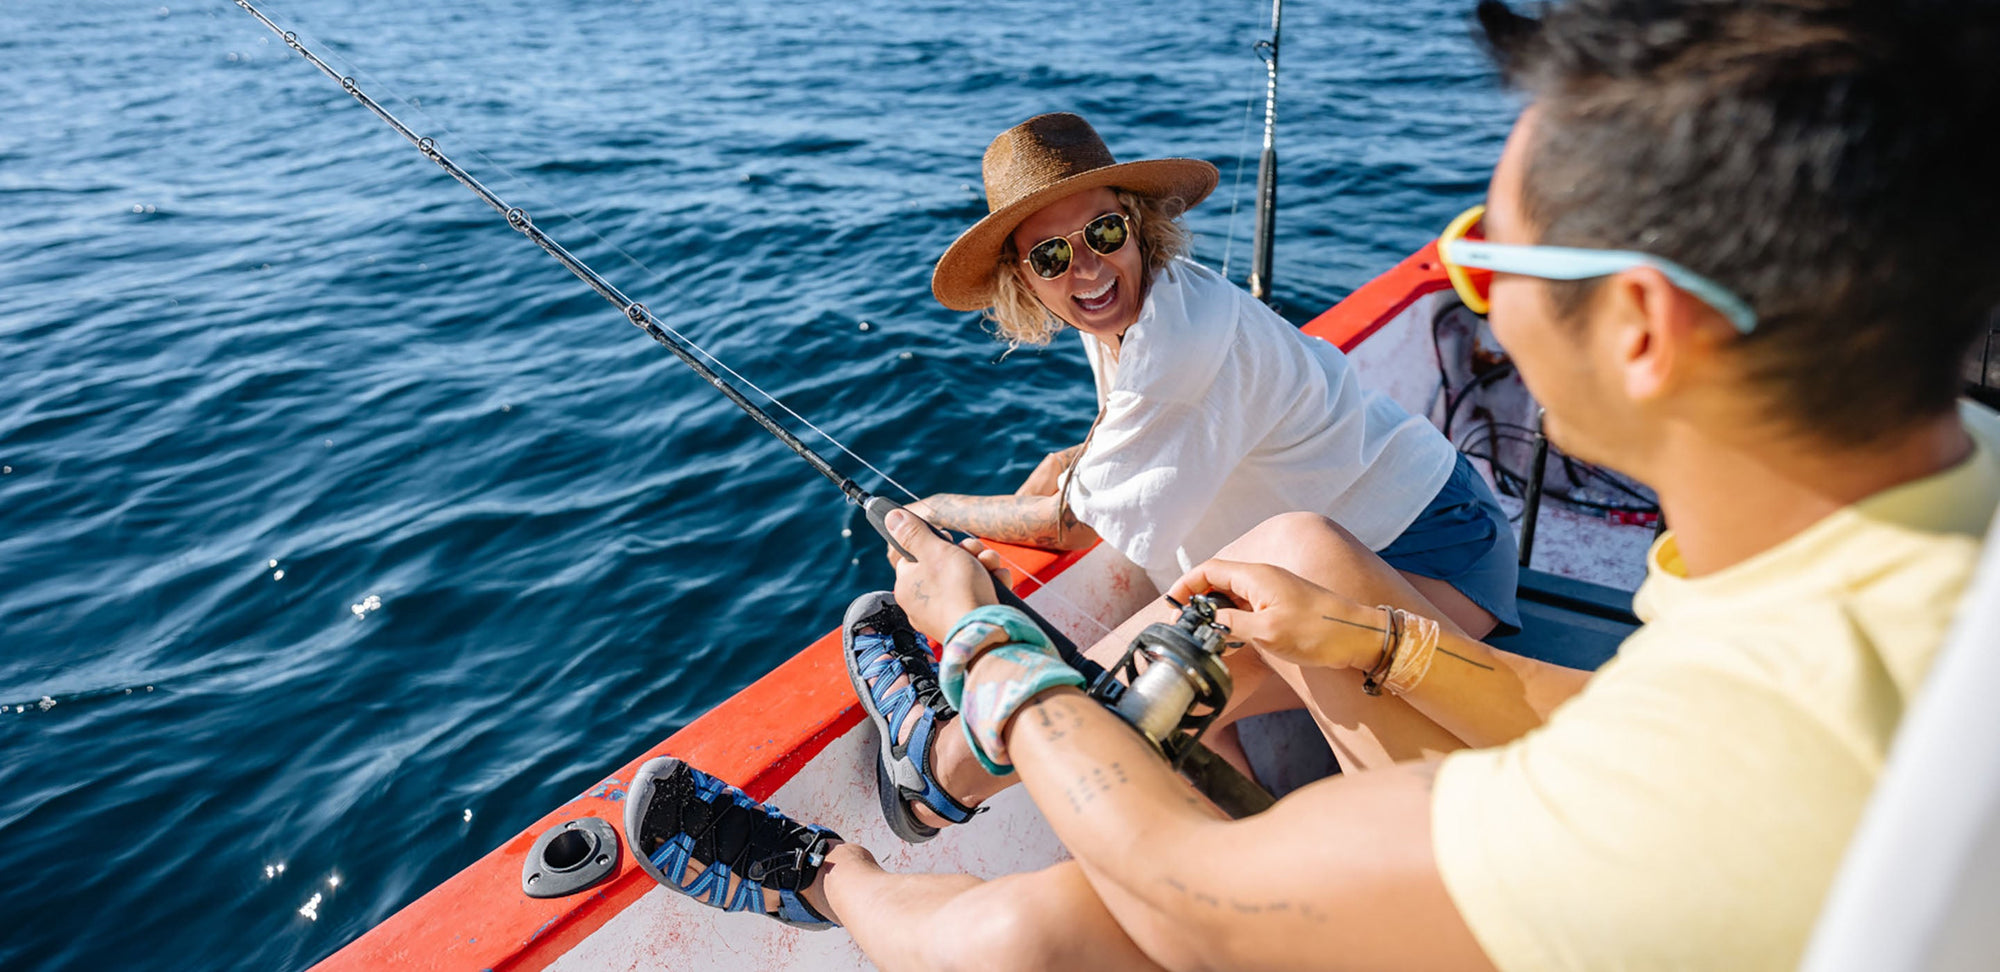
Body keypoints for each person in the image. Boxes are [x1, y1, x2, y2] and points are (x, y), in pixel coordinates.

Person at [622, 0, 2000, 969]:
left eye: (1484, 259)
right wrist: (1379, 638)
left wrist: (979, 624)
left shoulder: (1671, 812)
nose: (1473, 309)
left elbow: (1196, 896)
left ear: (1641, 327)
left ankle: (834, 864)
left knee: (1017, 941)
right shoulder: (1911, 537)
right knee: (1296, 561)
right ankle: (961, 761)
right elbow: (1624, 707)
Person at [868, 112, 1523, 840]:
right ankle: (1253, 844)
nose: (1085, 268)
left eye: (1104, 234)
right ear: (1024, 277)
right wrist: (1062, 468)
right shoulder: (1138, 302)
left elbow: (1068, 525)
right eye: (1051, 256)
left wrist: (933, 511)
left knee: (1148, 695)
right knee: (1186, 705)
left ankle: (939, 774)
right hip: (1390, 534)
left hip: (1437, 558)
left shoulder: (1174, 349)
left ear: (1138, 224)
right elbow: (1115, 433)